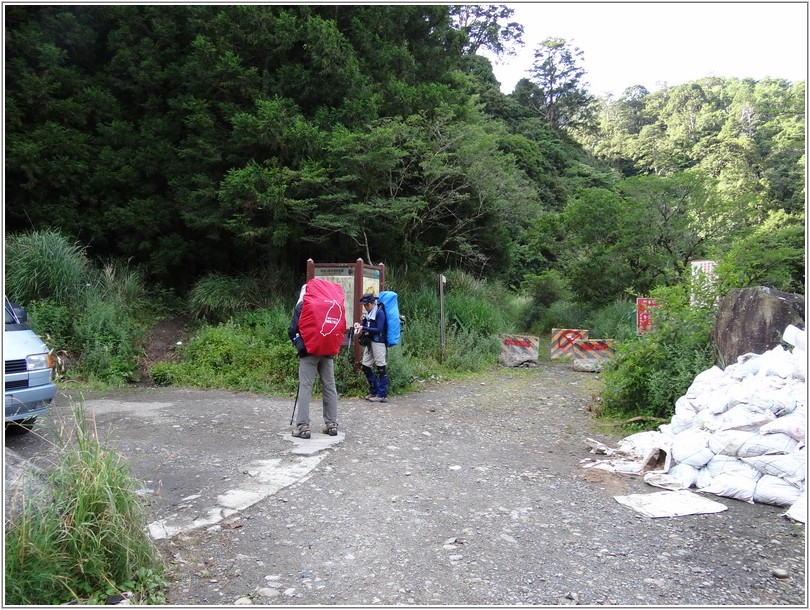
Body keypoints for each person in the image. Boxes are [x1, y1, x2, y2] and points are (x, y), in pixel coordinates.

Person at [288, 284, 339, 439]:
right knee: (329, 386)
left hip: (308, 351)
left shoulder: (303, 304)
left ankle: (303, 427)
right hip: (327, 351)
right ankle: (331, 424)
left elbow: (292, 329)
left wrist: (300, 346)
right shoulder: (329, 303)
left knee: (305, 387)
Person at [354, 293, 389, 403]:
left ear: (372, 303)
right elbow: (364, 324)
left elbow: (379, 329)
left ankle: (382, 394)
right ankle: (374, 391)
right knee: (365, 366)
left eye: (367, 305)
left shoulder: (380, 313)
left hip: (379, 342)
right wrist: (358, 326)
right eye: (364, 305)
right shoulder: (368, 313)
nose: (365, 307)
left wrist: (363, 327)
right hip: (370, 342)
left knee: (381, 368)